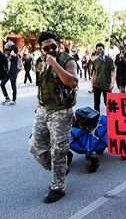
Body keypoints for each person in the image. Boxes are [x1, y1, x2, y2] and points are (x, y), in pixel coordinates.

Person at [29, 31, 78, 203]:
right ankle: (60, 167)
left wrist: (56, 64)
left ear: (57, 45)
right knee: (35, 145)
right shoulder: (39, 62)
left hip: (61, 111)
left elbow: (72, 82)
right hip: (44, 108)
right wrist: (39, 102)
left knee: (58, 150)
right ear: (41, 49)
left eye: (53, 46)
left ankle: (58, 187)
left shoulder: (67, 60)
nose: (50, 50)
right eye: (46, 48)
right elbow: (41, 84)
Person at [90, 42, 115, 114]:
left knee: (108, 103)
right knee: (96, 103)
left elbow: (113, 72)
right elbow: (93, 74)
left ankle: (110, 120)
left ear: (104, 49)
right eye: (98, 49)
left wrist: (112, 82)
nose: (99, 51)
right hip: (97, 84)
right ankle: (96, 121)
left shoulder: (109, 60)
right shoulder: (95, 61)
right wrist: (91, 86)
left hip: (107, 85)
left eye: (101, 49)